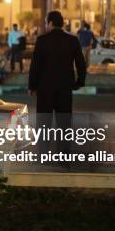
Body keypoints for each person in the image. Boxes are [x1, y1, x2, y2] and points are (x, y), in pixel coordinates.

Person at [28, 11, 86, 156]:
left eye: (46, 23)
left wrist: (32, 86)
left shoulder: (42, 40)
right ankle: (64, 156)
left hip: (44, 88)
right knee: (64, 124)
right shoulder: (73, 40)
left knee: (43, 123)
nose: (45, 25)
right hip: (65, 88)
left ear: (51, 23)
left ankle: (44, 154)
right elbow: (81, 64)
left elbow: (35, 65)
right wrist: (79, 82)